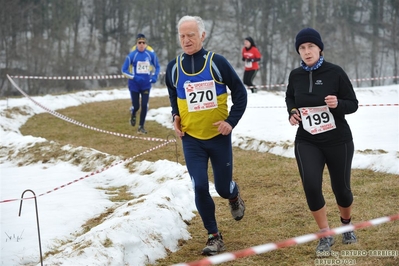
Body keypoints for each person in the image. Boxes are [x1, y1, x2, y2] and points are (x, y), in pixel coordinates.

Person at [165, 15, 247, 256]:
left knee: (222, 188)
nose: (186, 40)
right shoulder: (174, 67)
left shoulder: (216, 62)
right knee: (200, 186)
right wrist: (175, 116)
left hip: (218, 138)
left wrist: (231, 122)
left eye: (191, 35)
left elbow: (240, 93)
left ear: (202, 35)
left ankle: (233, 195)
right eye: (182, 36)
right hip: (191, 140)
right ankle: (214, 236)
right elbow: (173, 94)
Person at [285, 28, 359, 255]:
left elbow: (353, 103)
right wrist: (292, 111)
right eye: (302, 48)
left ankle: (346, 225)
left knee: (342, 189)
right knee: (311, 186)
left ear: (319, 48)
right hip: (307, 140)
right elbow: (290, 97)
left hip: (338, 140)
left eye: (310, 47)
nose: (306, 52)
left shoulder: (335, 72)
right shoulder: (295, 75)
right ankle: (325, 234)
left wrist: (338, 103)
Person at [121, 33, 161, 134]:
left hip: (146, 85)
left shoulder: (150, 55)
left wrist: (155, 76)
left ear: (146, 44)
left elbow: (158, 66)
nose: (142, 44)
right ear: (136, 43)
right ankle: (133, 114)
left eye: (143, 43)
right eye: (140, 43)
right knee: (136, 106)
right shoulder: (132, 56)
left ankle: (141, 126)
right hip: (134, 84)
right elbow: (124, 70)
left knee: (144, 105)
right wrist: (134, 77)